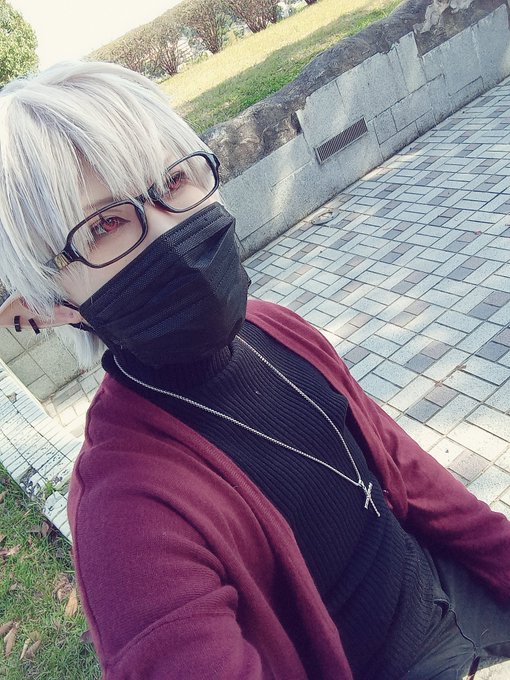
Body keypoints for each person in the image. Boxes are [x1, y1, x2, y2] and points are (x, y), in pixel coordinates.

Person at [0, 61, 509, 680]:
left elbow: (405, 468)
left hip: (446, 584)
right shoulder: (126, 518)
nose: (171, 229)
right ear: (51, 303)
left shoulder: (271, 325)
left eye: (174, 179)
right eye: (104, 225)